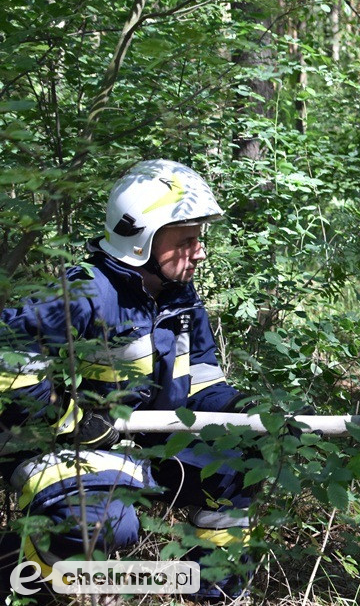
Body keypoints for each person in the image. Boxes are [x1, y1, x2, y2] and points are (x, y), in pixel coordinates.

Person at [0, 159, 254, 601]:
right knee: (112, 523)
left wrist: (241, 410)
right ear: (143, 240)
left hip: (143, 445)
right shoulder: (84, 292)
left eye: (200, 239)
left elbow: (199, 384)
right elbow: (8, 360)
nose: (200, 252)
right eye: (188, 240)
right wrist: (72, 422)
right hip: (61, 451)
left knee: (237, 467)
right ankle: (22, 580)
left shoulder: (182, 302)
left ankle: (210, 591)